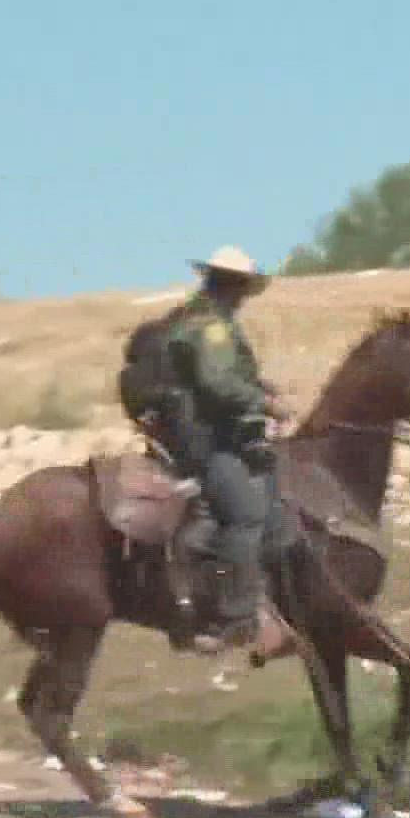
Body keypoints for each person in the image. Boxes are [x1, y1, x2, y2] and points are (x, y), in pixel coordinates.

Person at [154, 246, 294, 654]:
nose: (244, 297)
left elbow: (220, 375)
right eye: (242, 288)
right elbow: (216, 383)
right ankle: (234, 619)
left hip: (205, 432)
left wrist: (259, 385)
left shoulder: (200, 320)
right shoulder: (210, 327)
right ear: (231, 286)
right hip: (208, 439)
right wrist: (265, 403)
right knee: (247, 515)